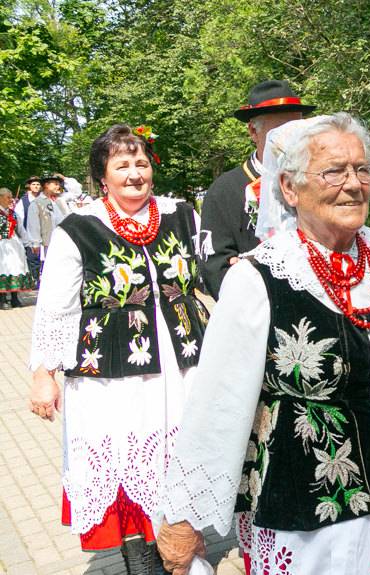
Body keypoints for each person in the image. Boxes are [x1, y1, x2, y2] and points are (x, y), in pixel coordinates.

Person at [156, 113, 370, 575]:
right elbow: (217, 402)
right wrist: (183, 517)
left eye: (361, 169)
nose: (353, 184)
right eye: (334, 171)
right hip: (304, 507)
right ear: (291, 188)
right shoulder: (258, 277)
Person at [27, 124, 209, 574]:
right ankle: (142, 564)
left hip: (184, 366)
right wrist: (43, 374)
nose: (134, 174)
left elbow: (214, 272)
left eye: (141, 163)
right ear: (102, 177)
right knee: (128, 472)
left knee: (184, 465)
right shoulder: (79, 228)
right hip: (112, 377)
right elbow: (57, 309)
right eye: (122, 165)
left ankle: (183, 554)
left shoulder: (181, 215)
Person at [199, 79, 315, 298]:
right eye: (281, 130)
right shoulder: (224, 191)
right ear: (253, 131)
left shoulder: (317, 180)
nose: (292, 139)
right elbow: (216, 267)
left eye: (297, 129)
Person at [0, 187, 35, 308]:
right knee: (3, 269)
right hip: (1, 245)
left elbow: (21, 230)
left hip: (14, 244)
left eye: (11, 197)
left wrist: (27, 243)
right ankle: (2, 299)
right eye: (7, 197)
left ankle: (15, 298)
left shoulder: (14, 214)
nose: (10, 200)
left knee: (16, 268)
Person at [27, 172, 71, 265]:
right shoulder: (37, 203)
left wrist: (65, 178)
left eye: (59, 184)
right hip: (49, 243)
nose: (58, 186)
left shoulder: (61, 200)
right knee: (52, 268)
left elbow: (77, 192)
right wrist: (35, 244)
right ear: (46, 185)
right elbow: (33, 225)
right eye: (55, 184)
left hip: (65, 241)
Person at [14, 176, 42, 285]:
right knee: (32, 259)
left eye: (38, 184)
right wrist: (24, 236)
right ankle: (34, 280)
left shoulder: (44, 200)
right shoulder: (23, 202)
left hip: (43, 234)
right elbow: (19, 220)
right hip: (29, 235)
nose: (36, 186)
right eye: (34, 184)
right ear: (29, 186)